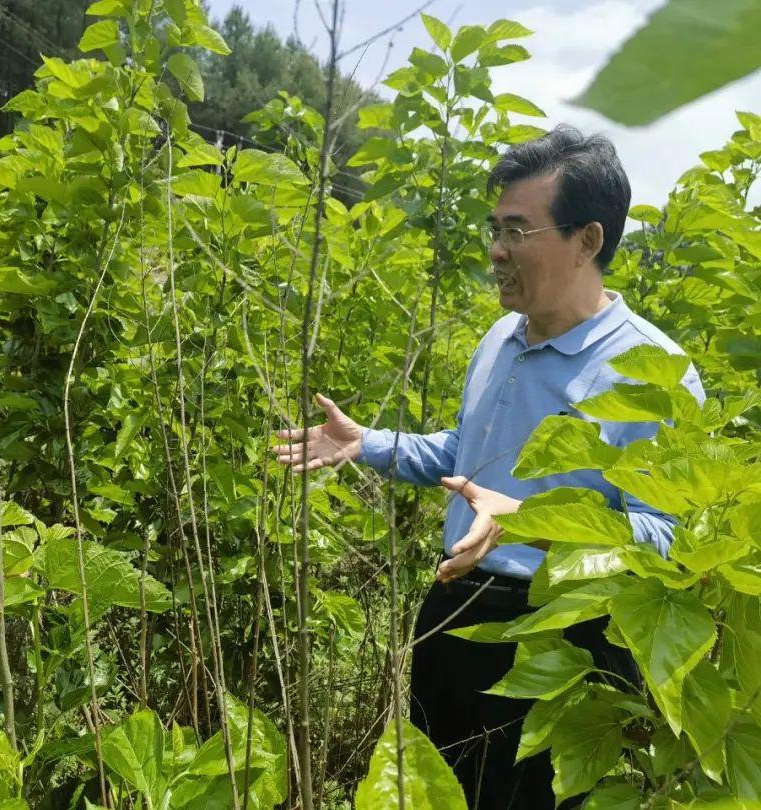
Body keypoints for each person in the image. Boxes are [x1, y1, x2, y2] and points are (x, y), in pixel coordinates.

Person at [272, 125, 705, 809]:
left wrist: (531, 524)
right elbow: (465, 457)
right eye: (494, 227)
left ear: (588, 240)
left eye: (518, 231)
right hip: (452, 612)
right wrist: (366, 443)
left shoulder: (655, 374)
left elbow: (665, 540)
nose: (496, 250)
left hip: (562, 642)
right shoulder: (500, 337)